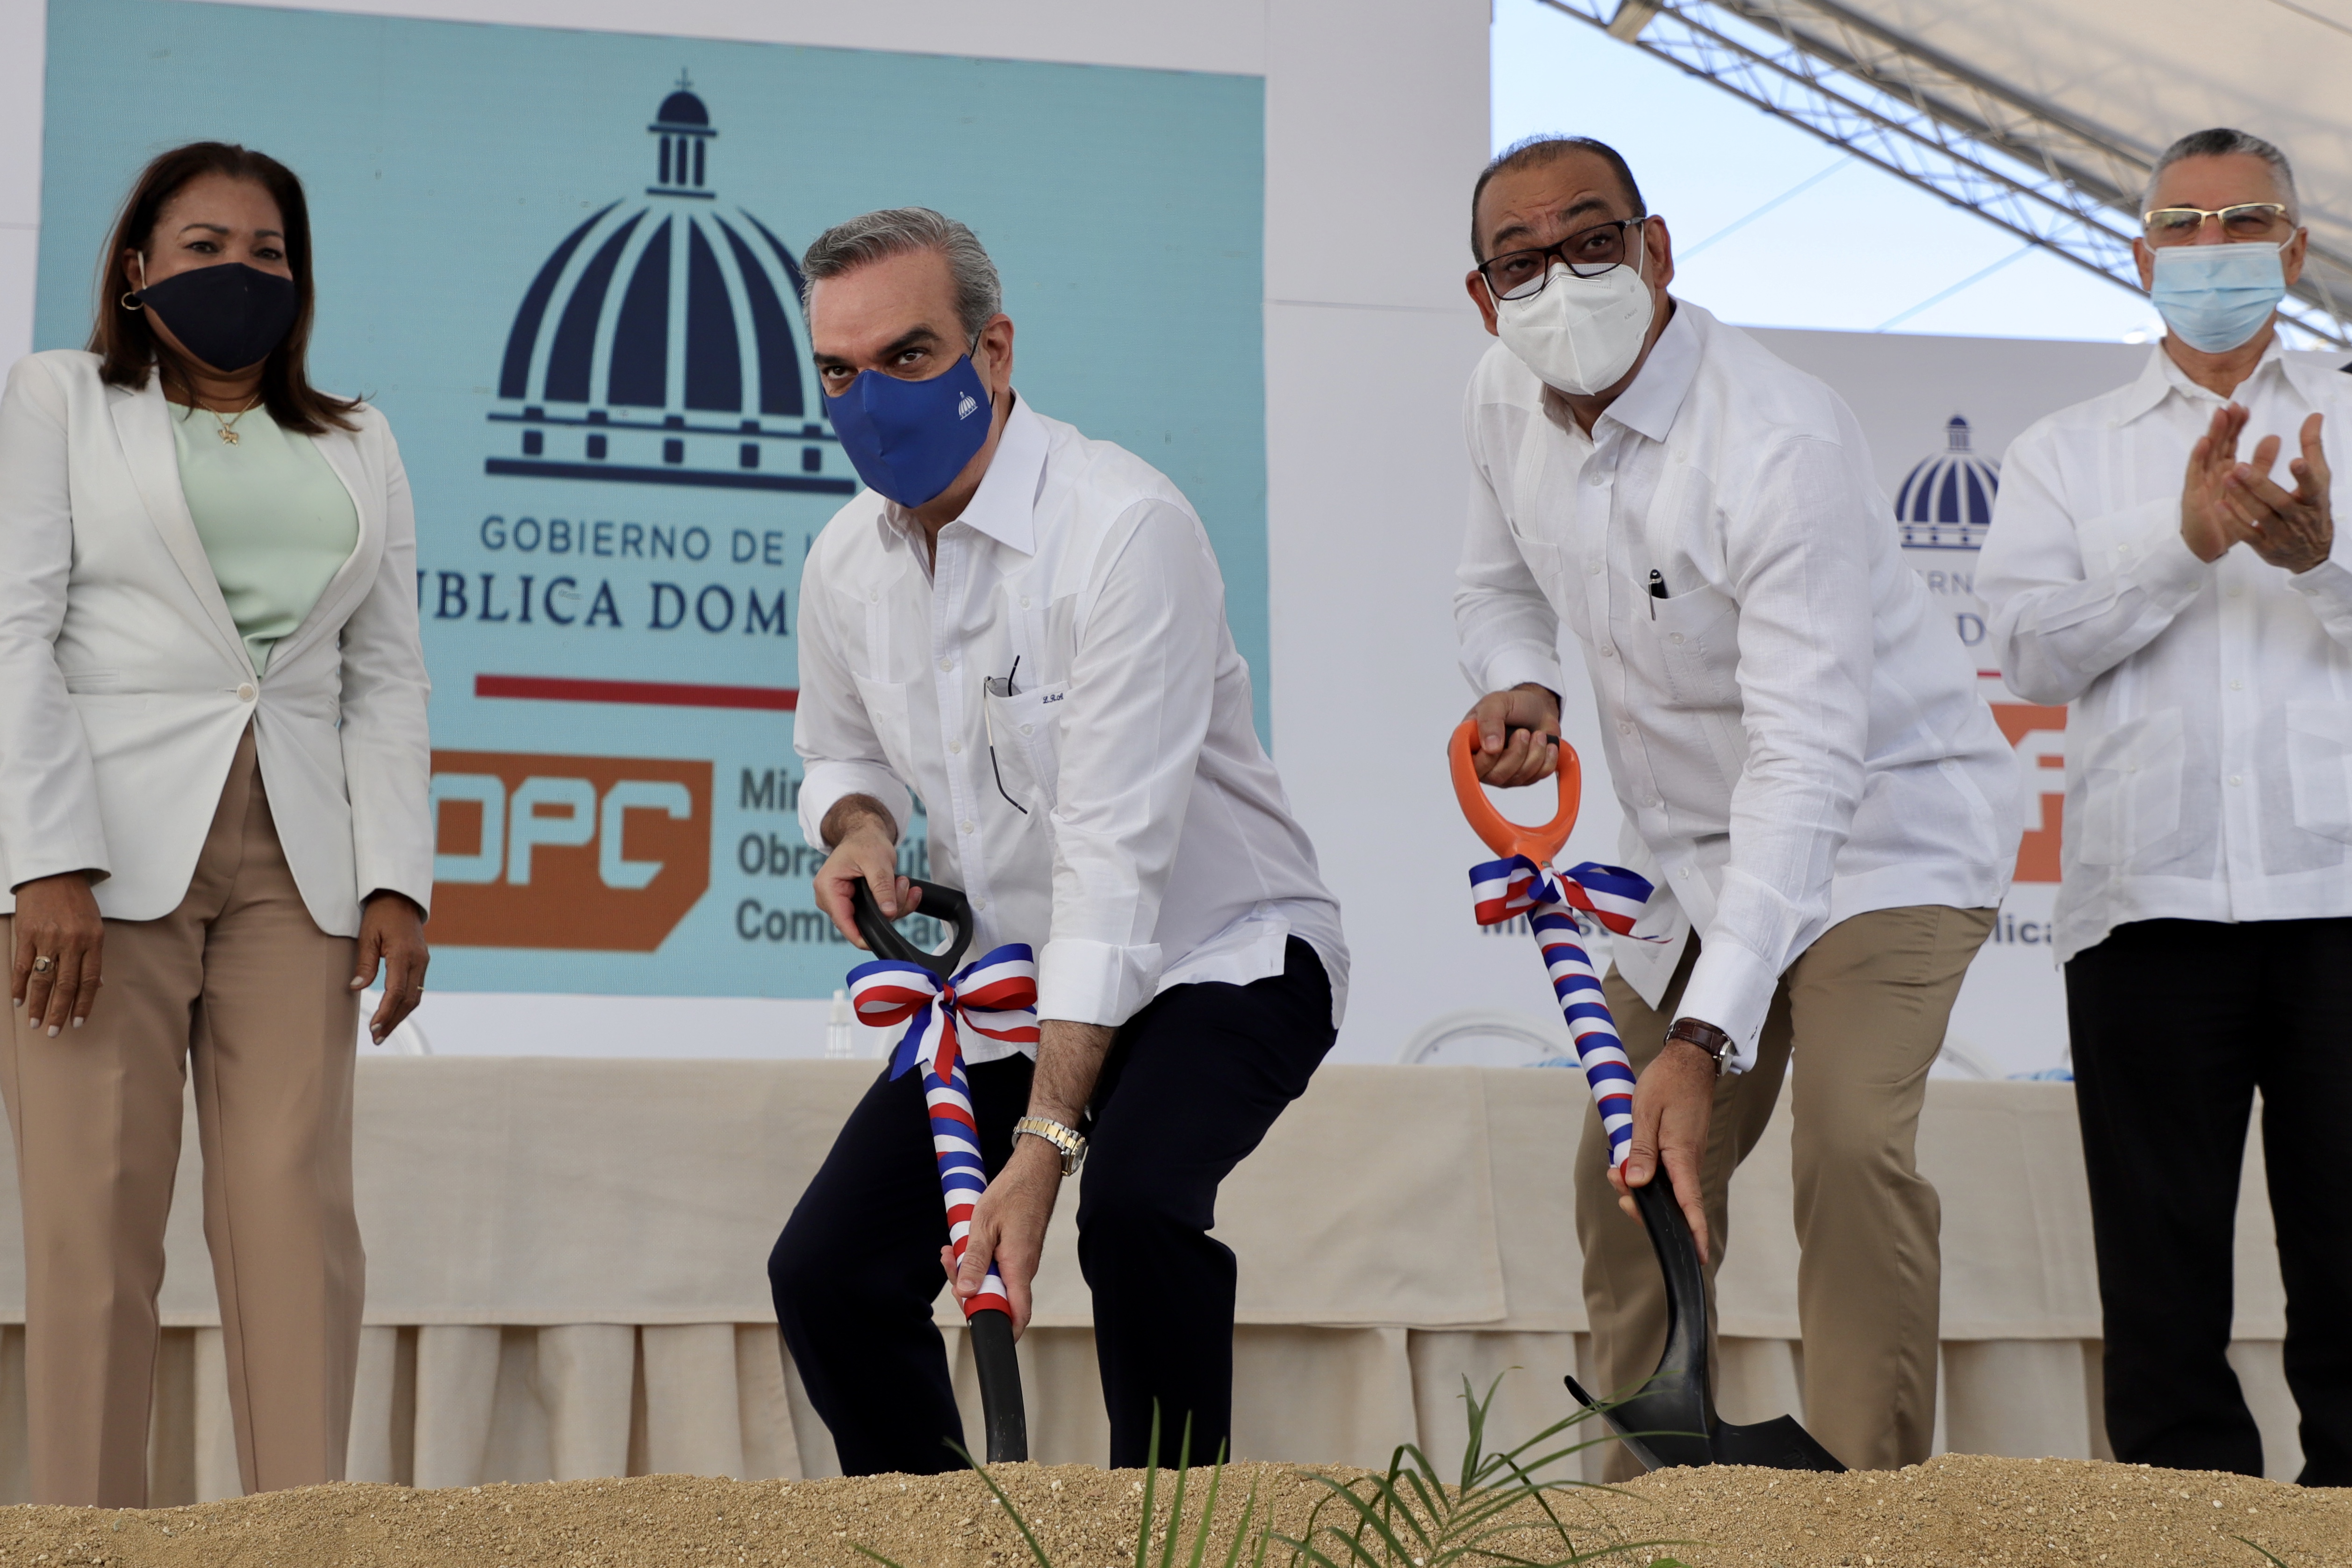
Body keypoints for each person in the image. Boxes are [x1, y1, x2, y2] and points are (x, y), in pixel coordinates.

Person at [1451, 137, 2022, 1473]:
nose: (1561, 279)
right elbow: (1494, 586)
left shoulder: (1778, 438)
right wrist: (1521, 681)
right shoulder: (1498, 397)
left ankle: (1868, 1510)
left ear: (1656, 248)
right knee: (1624, 1170)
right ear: (1484, 299)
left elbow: (1809, 760)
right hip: (1691, 856)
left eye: (1593, 241)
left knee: (1848, 1146)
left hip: (1883, 834)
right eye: (1521, 261)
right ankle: (1653, 1508)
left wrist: (1705, 1040)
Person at [767, 208, 1347, 1473]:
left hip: (1222, 957)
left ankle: (1168, 1536)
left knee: (1131, 1209)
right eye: (839, 373)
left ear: (993, 351)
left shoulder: (1125, 530)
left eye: (908, 356)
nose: (871, 399)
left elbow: (1114, 864)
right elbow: (842, 756)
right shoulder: (844, 561)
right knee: (826, 1271)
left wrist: (1043, 1145)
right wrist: (858, 829)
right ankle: (934, 1544)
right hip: (1022, 977)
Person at [0, 143, 433, 1506]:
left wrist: (397, 878)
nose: (239, 272)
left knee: (298, 1219)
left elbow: (386, 675)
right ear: (137, 268)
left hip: (298, 864)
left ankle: (300, 1531)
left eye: (267, 251)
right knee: (94, 1224)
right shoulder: (61, 399)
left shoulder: (358, 439)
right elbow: (15, 634)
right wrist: (44, 862)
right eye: (204, 247)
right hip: (96, 868)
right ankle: (87, 1536)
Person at [1978, 128, 2352, 1485]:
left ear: (2295, 251)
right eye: (2182, 225)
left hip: (2340, 902)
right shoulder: (2066, 452)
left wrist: (2323, 566)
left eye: (2244, 220)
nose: (2213, 246)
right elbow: (2028, 656)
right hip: (2143, 904)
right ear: (2141, 259)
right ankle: (2190, 1528)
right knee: (2158, 1271)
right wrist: (2179, 547)